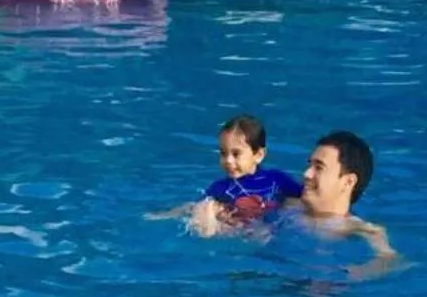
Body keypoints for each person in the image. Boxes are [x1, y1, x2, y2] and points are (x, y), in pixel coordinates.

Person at [159, 113, 304, 234]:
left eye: (236, 154)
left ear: (259, 155)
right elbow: (193, 207)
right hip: (242, 232)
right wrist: (166, 215)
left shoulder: (277, 179)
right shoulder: (221, 188)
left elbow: (306, 195)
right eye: (223, 153)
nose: (228, 161)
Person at [294, 130, 398, 272]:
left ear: (348, 182)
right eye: (309, 166)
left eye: (319, 167)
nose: (306, 174)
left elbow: (391, 261)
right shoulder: (285, 205)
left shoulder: (363, 230)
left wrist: (349, 275)